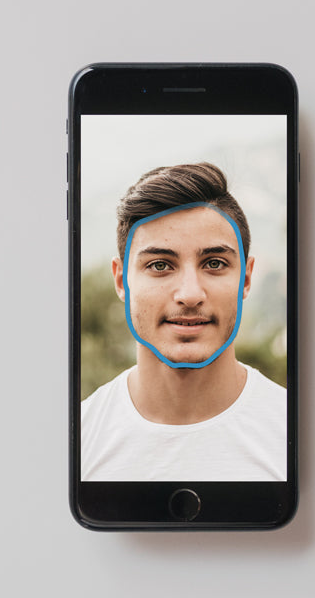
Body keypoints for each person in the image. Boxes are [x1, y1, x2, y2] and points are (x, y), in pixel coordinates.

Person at [81, 163, 287, 481]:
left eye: (215, 263)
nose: (190, 295)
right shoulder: (78, 440)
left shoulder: (295, 433)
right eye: (160, 265)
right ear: (121, 280)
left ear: (246, 278)